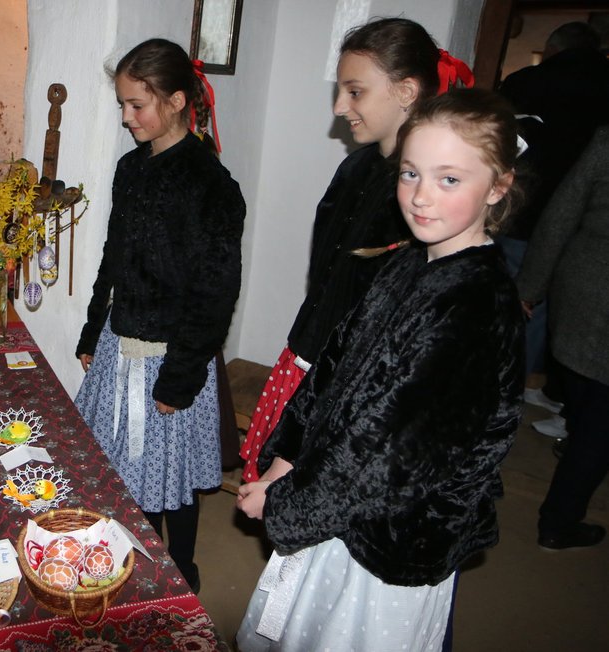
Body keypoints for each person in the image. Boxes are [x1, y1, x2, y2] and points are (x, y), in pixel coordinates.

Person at [235, 88, 525, 651]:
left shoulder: (474, 307)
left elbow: (385, 449)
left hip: (389, 535)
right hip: (334, 502)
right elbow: (332, 366)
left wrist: (287, 505)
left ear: (497, 186)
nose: (420, 197)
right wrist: (281, 465)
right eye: (411, 173)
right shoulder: (407, 262)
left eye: (449, 180)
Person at [239, 17, 474, 482]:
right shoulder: (355, 168)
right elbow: (326, 274)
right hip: (313, 350)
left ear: (406, 91)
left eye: (355, 91)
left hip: (363, 379)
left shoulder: (422, 198)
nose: (340, 106)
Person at [74, 38, 245, 593]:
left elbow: (215, 292)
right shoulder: (130, 169)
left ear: (175, 100)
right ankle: (130, 561)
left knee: (174, 477)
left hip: (171, 358)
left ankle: (184, 568)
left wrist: (183, 374)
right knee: (122, 471)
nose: (126, 117)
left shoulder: (209, 184)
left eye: (136, 106)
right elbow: (113, 254)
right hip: (119, 341)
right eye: (122, 105)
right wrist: (92, 326)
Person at [498, 21, 609, 437]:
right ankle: (537, 387)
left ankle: (508, 385)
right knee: (555, 307)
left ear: (551, 47)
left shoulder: (528, 82)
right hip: (587, 224)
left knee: (517, 301)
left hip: (522, 209)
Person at [517, 126, 609, 551]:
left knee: (588, 408)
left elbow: (560, 215)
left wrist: (529, 288)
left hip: (582, 295)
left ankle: (575, 449)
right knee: (597, 429)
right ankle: (559, 521)